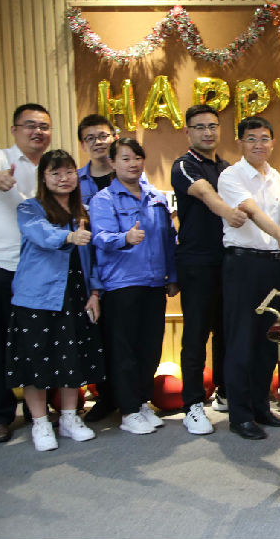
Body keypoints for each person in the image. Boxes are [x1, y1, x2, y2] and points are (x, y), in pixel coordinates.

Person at [6, 150, 104, 450]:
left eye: (69, 172)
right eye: (55, 173)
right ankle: (40, 422)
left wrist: (94, 293)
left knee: (71, 358)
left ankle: (70, 419)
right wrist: (68, 237)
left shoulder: (83, 212)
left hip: (75, 295)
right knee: (35, 362)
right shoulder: (30, 208)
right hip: (36, 297)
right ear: (44, 178)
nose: (64, 179)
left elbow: (94, 258)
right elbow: (40, 234)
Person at [89, 138, 179, 435]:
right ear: (112, 163)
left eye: (137, 158)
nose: (133, 164)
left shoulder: (156, 198)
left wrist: (172, 276)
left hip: (154, 282)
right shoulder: (104, 199)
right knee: (124, 350)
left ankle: (141, 402)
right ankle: (128, 410)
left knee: (150, 347)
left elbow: (168, 239)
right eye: (125, 159)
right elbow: (100, 238)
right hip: (122, 284)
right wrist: (124, 238)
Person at [171, 104, 248, 435]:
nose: (208, 132)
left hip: (227, 261)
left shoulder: (226, 167)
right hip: (196, 263)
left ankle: (225, 392)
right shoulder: (184, 165)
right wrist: (229, 213)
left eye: (213, 126)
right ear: (188, 132)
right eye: (200, 127)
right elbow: (204, 193)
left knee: (225, 331)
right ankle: (192, 405)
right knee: (196, 334)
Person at [217, 116, 280, 440]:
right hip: (243, 265)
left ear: (273, 143)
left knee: (267, 341)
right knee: (241, 340)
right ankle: (240, 415)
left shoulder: (276, 176)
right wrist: (279, 234)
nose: (258, 145)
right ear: (240, 143)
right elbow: (251, 210)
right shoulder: (230, 176)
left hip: (272, 265)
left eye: (264, 138)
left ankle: (261, 406)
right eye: (251, 139)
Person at [0, 103, 52, 443]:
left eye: (44, 126)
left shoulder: (51, 168)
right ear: (15, 130)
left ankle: (40, 413)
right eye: (30, 125)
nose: (38, 131)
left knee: (38, 341)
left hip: (38, 269)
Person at [74, 114, 120, 423]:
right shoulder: (75, 181)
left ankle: (130, 396)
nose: (97, 142)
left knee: (122, 334)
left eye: (102, 135)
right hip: (89, 269)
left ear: (114, 137)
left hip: (123, 269)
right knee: (96, 335)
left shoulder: (129, 173)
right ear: (83, 144)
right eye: (90, 138)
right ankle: (105, 397)